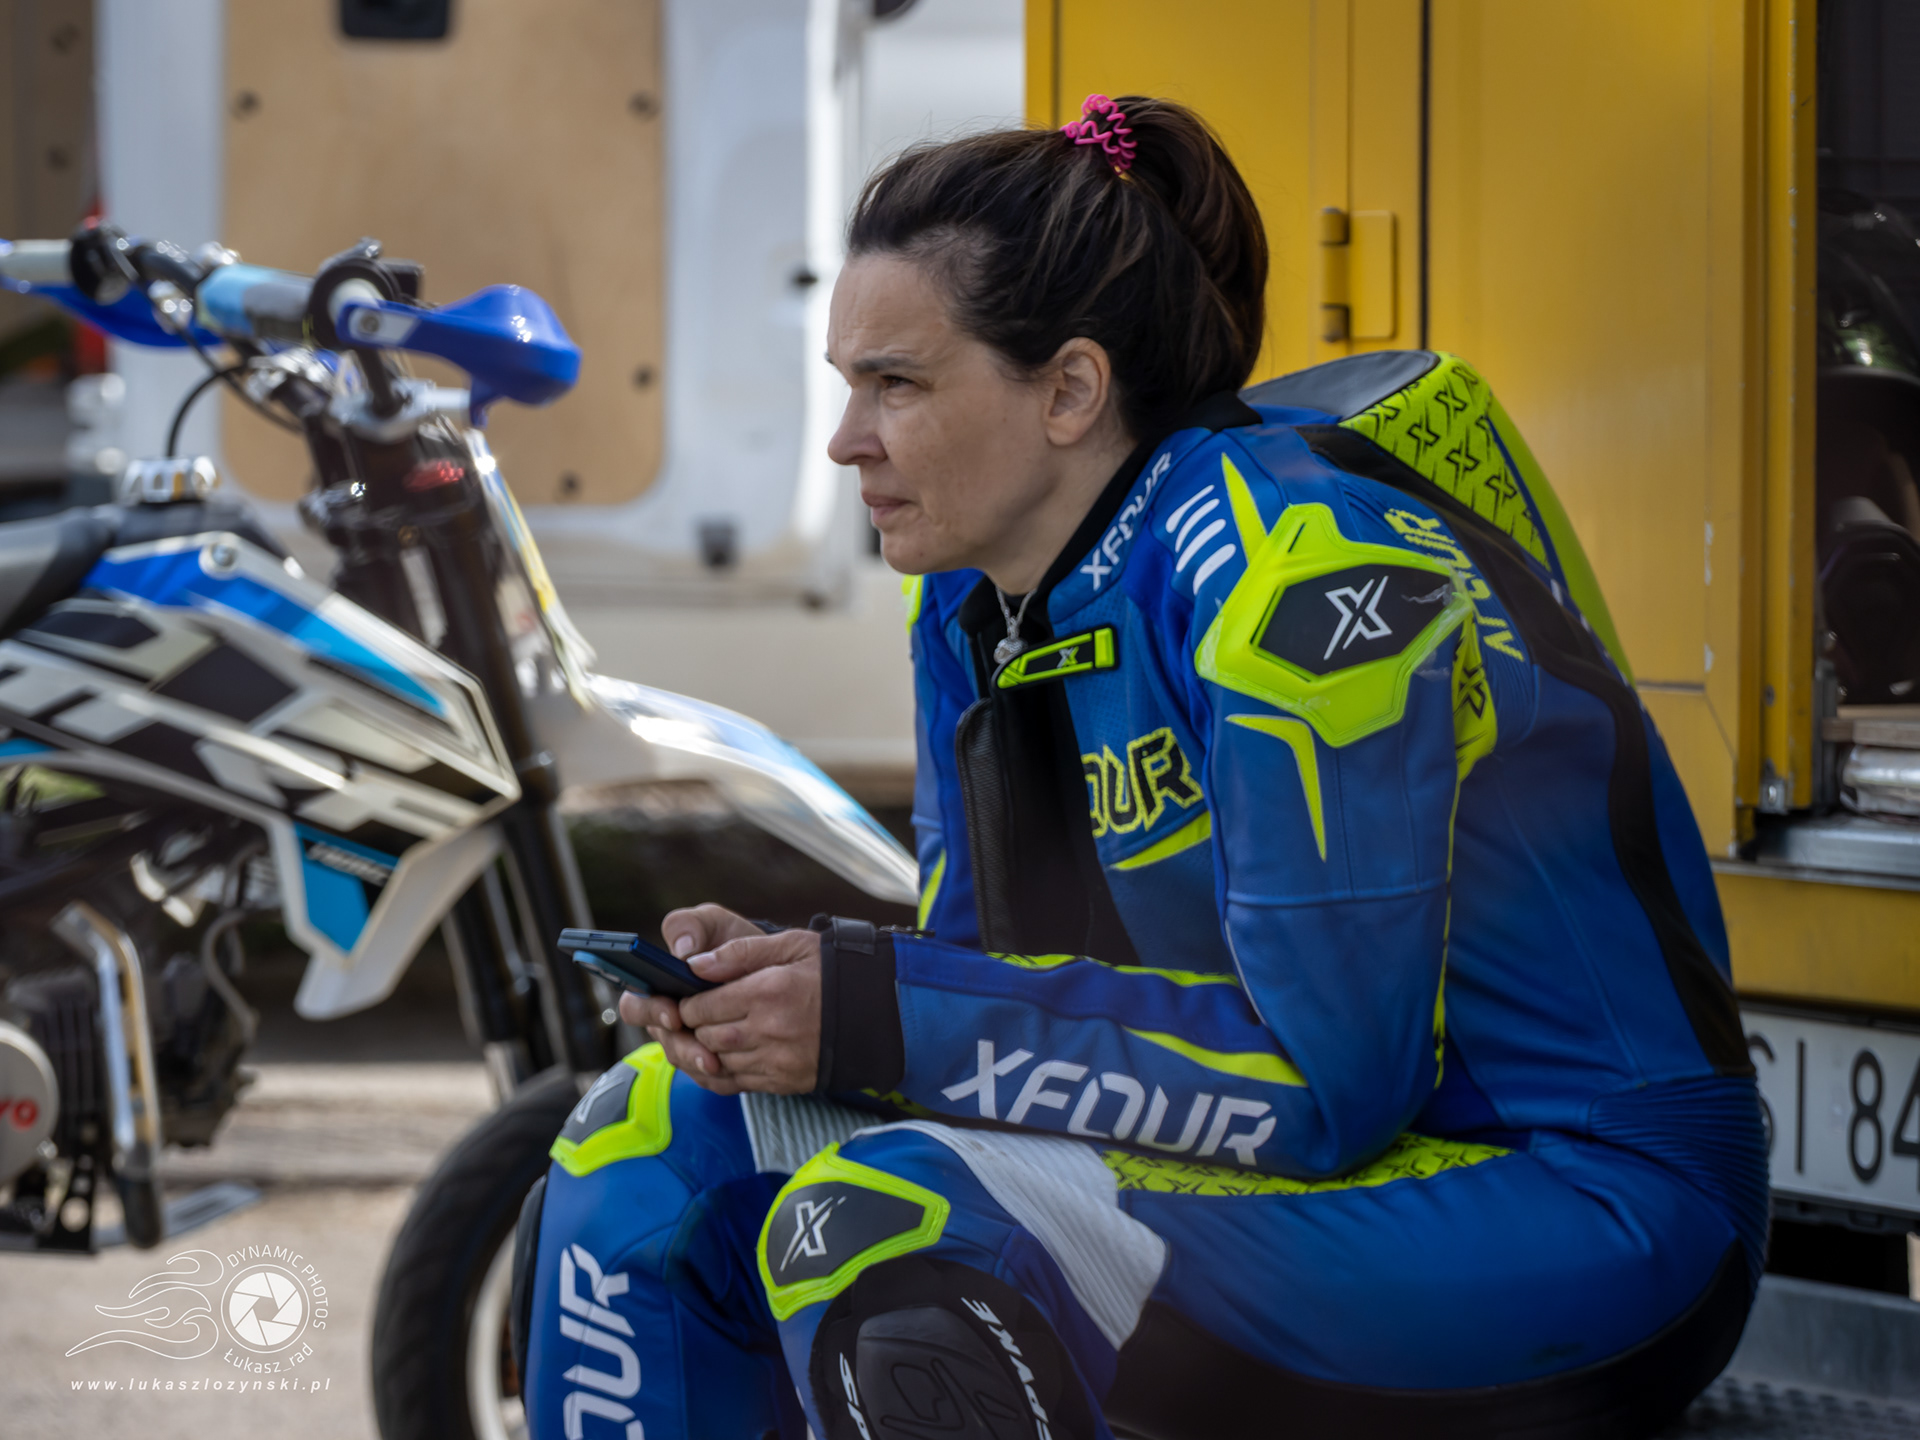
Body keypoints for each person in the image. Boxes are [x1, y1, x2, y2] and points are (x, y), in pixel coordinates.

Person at [517, 95, 1767, 1440]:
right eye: (848, 386)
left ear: (1069, 390)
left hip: (1576, 1197)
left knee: (896, 1221)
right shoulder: (973, 595)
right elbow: (993, 984)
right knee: (648, 1145)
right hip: (1310, 1179)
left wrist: (878, 1013)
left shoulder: (1298, 582)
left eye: (898, 385)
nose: (846, 441)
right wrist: (793, 993)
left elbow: (1327, 1089)